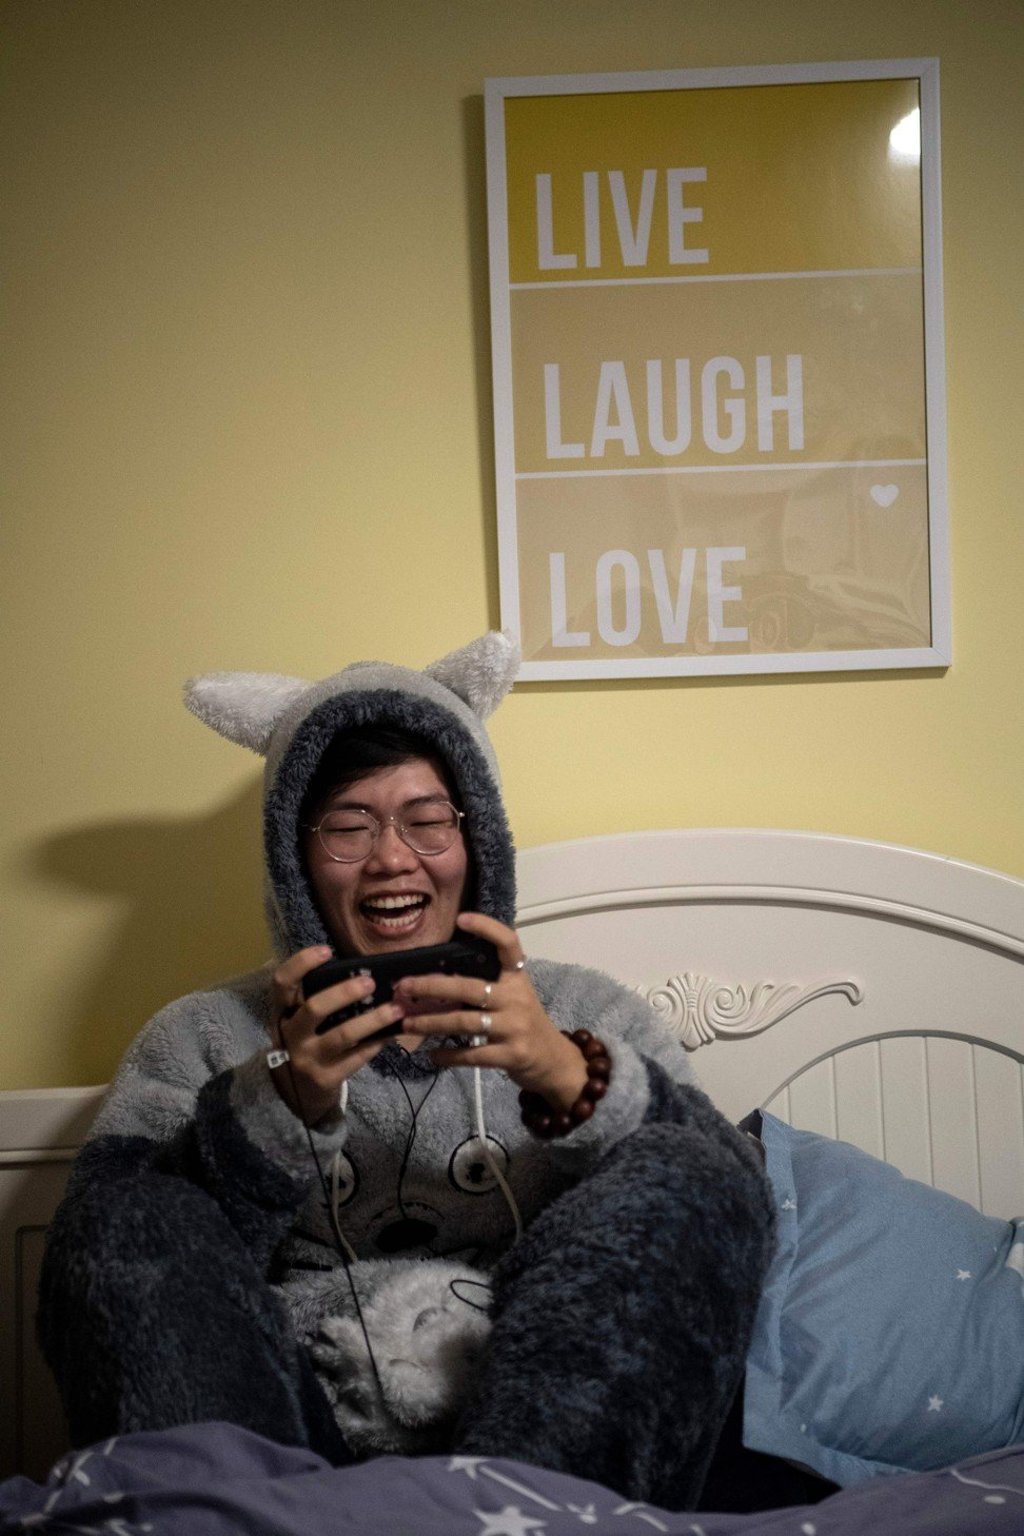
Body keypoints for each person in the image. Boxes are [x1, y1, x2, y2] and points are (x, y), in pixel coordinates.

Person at [38, 631, 775, 1512]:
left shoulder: (588, 1012)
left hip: (553, 1451)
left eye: (428, 821)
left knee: (691, 1166)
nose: (392, 858)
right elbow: (108, 1261)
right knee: (128, 1206)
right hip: (290, 1448)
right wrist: (275, 1106)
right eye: (349, 826)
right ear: (294, 858)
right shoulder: (197, 1035)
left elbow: (728, 1207)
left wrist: (570, 1078)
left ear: (480, 841)